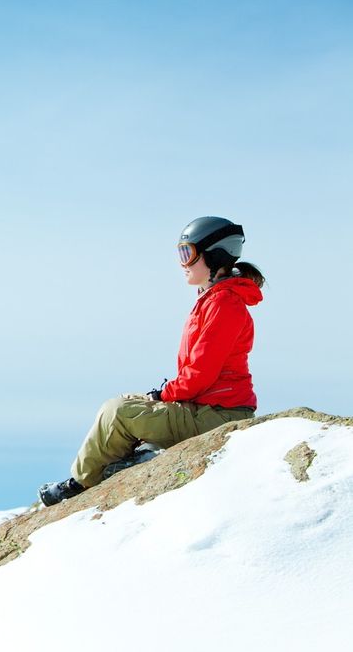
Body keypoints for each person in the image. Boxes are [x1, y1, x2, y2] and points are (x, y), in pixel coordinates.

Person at [38, 216, 265, 507]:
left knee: (118, 411)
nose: (182, 263)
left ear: (214, 255)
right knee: (130, 404)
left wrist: (163, 394)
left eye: (188, 253)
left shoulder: (224, 305)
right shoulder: (214, 300)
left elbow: (200, 375)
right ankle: (126, 462)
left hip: (218, 415)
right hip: (209, 407)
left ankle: (79, 485)